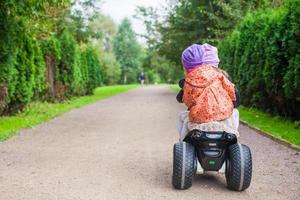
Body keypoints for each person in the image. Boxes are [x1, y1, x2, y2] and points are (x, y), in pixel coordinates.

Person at [176, 43, 240, 141]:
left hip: (199, 119)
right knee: (235, 112)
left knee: (183, 117)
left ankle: (184, 142)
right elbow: (232, 92)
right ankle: (233, 137)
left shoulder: (190, 80)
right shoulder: (220, 75)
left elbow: (187, 100)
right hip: (224, 117)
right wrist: (231, 101)